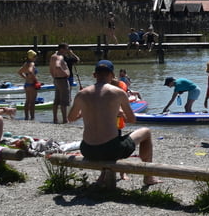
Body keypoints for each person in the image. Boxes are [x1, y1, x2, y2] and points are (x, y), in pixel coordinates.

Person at [67, 60, 161, 188]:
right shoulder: (118, 92)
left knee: (111, 135)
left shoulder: (82, 94)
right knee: (146, 132)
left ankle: (104, 176)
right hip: (110, 150)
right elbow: (132, 119)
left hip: (87, 149)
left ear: (94, 75)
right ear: (112, 75)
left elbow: (71, 118)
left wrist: (86, 111)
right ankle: (148, 177)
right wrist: (119, 114)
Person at [49, 42, 73, 123]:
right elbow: (57, 66)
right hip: (62, 80)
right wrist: (65, 74)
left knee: (57, 100)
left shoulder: (53, 56)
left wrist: (54, 76)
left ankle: (55, 119)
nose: (67, 51)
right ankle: (65, 120)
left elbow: (51, 69)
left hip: (56, 79)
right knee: (64, 101)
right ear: (62, 49)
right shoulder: (59, 57)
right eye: (66, 49)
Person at [16, 49, 41, 120]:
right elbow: (30, 71)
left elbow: (19, 72)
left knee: (27, 101)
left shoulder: (26, 64)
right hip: (32, 85)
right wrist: (35, 80)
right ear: (32, 57)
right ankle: (32, 117)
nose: (36, 58)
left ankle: (26, 117)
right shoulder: (32, 64)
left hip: (27, 84)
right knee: (32, 102)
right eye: (35, 56)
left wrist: (26, 78)